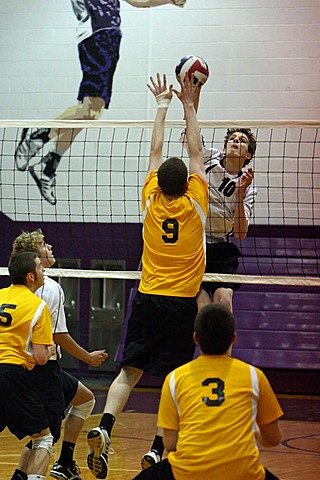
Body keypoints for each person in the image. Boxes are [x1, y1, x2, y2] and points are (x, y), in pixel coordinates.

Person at [85, 72, 208, 479]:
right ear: (188, 185)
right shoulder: (196, 207)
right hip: (180, 305)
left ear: (159, 185)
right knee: (173, 381)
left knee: (128, 372)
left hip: (148, 296)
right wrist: (191, 104)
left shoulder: (150, 203)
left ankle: (104, 426)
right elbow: (196, 153)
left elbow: (156, 151)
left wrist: (162, 105)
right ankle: (157, 451)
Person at [14, 0, 187, 205]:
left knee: (92, 111)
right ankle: (37, 138)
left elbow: (139, 2)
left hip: (110, 37)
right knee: (91, 107)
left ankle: (47, 165)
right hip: (97, 33)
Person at [132, 302, 283, 480]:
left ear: (195, 338)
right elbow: (274, 438)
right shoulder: (253, 376)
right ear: (233, 338)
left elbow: (170, 443)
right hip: (243, 474)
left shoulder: (175, 378)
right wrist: (255, 435)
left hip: (187, 473)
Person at [10, 229, 108, 480]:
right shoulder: (50, 288)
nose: (50, 247)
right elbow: (58, 336)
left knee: (85, 399)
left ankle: (64, 462)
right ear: (34, 256)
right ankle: (36, 472)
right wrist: (88, 357)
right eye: (44, 245)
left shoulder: (13, 290)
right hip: (42, 370)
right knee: (45, 435)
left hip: (22, 368)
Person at [181, 87, 257, 312]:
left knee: (224, 303)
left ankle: (225, 349)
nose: (235, 141)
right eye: (232, 138)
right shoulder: (209, 157)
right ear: (224, 146)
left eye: (241, 141)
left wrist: (240, 194)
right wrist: (194, 95)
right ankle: (207, 348)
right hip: (197, 244)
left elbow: (240, 234)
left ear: (248, 155)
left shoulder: (247, 185)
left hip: (223, 248)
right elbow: (191, 129)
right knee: (203, 307)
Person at [0, 251, 56, 480]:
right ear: (30, 276)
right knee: (43, 438)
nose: (44, 271)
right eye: (40, 268)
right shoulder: (38, 306)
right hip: (12, 374)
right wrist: (52, 348)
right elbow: (42, 358)